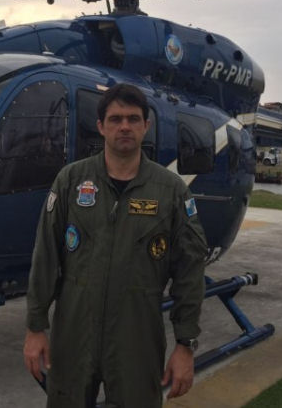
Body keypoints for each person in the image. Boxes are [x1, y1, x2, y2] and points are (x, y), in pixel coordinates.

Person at [23, 83, 207, 407]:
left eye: (134, 119)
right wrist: (36, 326)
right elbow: (46, 255)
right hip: (74, 335)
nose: (125, 126)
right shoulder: (71, 181)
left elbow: (190, 270)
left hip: (137, 339)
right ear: (101, 126)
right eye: (116, 118)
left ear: (146, 126)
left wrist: (185, 344)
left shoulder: (171, 191)